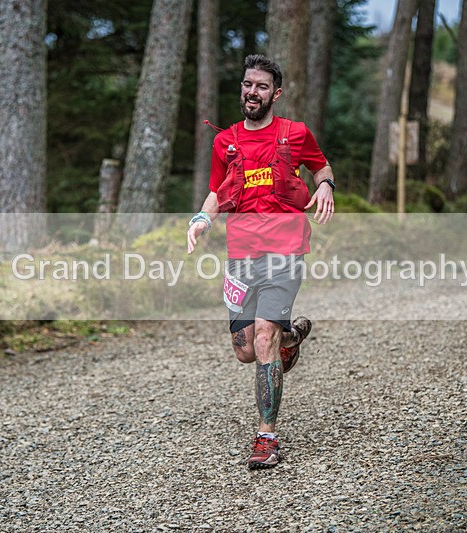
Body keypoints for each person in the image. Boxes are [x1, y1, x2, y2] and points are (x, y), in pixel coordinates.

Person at [187, 54, 336, 470]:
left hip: (285, 251)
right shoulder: (225, 141)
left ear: (276, 94)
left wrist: (325, 187)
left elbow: (321, 167)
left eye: (262, 86)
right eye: (247, 84)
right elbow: (218, 191)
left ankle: (266, 436)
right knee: (246, 351)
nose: (252, 92)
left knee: (264, 338)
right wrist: (202, 219)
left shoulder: (295, 133)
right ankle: (292, 339)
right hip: (241, 254)